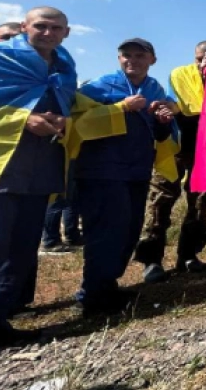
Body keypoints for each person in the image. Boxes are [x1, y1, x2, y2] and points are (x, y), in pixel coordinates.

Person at [0, 7, 77, 346]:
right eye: (40, 26)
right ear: (24, 27)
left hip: (40, 170)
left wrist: (62, 122)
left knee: (22, 251)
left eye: (55, 27)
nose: (47, 32)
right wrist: (22, 120)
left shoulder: (65, 68)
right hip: (0, 169)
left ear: (66, 33)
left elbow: (70, 105)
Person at [72, 38, 176, 315]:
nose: (132, 60)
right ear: (118, 59)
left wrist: (163, 120)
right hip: (102, 171)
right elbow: (78, 123)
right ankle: (93, 297)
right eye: (126, 55)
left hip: (137, 170)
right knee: (106, 232)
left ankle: (106, 285)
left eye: (140, 55)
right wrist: (120, 108)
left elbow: (159, 133)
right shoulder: (97, 86)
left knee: (129, 230)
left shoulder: (155, 89)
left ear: (152, 60)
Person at [135, 40, 206, 283]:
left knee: (199, 204)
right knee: (161, 201)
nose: (204, 62)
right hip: (175, 148)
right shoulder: (180, 75)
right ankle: (151, 259)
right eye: (200, 58)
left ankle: (188, 255)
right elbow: (177, 104)